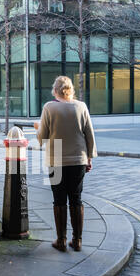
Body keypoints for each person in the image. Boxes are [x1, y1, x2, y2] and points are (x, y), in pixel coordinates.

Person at [34, 76, 97, 252]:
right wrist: (89, 158)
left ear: (55, 91)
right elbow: (89, 134)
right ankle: (77, 241)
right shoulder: (81, 106)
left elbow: (43, 137)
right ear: (71, 90)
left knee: (59, 200)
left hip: (56, 161)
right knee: (76, 199)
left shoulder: (49, 107)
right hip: (78, 159)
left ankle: (61, 240)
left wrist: (36, 127)